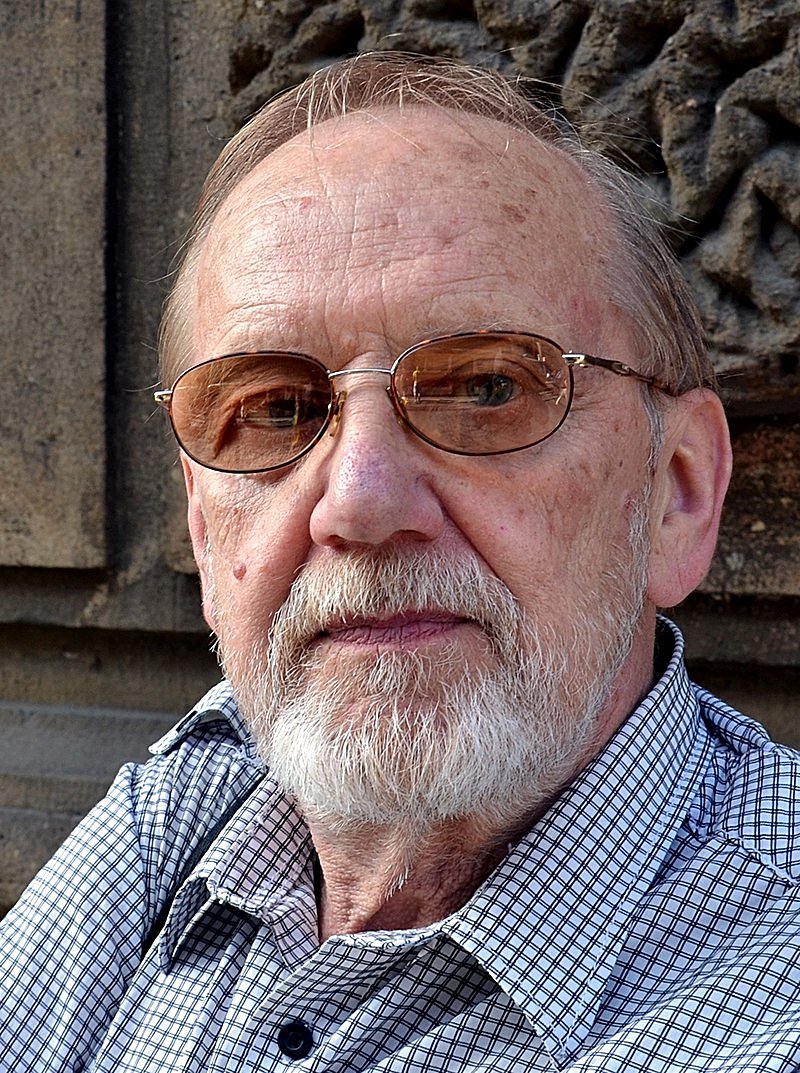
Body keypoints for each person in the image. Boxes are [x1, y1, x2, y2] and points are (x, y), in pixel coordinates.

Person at [1, 51, 798, 1072]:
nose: (360, 503)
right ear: (205, 526)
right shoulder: (187, 804)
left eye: (486, 388)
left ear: (678, 493)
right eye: (274, 410)